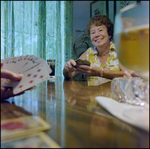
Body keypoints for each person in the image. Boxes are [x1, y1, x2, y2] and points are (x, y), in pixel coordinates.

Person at [63, 15, 138, 80]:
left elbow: (130, 76)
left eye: (100, 30)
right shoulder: (89, 53)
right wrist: (67, 69)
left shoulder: (119, 50)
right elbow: (70, 74)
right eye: (93, 32)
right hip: (93, 95)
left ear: (109, 34)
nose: (96, 35)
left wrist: (101, 72)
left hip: (114, 95)